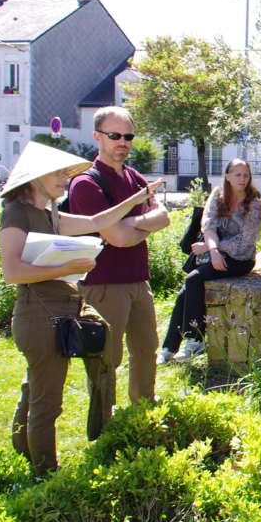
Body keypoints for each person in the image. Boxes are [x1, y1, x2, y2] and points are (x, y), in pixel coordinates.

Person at [0, 142, 161, 476]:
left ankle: (25, 452)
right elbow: (11, 271)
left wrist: (134, 200)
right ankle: (46, 476)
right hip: (38, 313)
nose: (65, 179)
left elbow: (96, 221)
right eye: (58, 173)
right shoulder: (16, 212)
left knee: (38, 389)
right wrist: (67, 267)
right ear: (36, 177)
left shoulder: (50, 215)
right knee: (47, 403)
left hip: (62, 309)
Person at [67, 106, 171, 410]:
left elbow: (163, 217)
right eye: (114, 135)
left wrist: (130, 223)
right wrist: (141, 227)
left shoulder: (133, 177)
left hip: (138, 280)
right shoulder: (86, 183)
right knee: (106, 358)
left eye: (128, 136)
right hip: (104, 284)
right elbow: (119, 239)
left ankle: (144, 409)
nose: (122, 142)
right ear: (97, 137)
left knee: (146, 349)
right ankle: (104, 421)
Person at [159, 159, 261, 364]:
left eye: (246, 175)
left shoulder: (254, 204)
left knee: (193, 280)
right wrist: (213, 250)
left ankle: (195, 341)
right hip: (217, 253)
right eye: (237, 175)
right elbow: (209, 226)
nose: (242, 179)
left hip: (241, 259)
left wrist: (211, 248)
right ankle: (169, 348)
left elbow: (246, 242)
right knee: (185, 292)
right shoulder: (218, 195)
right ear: (227, 176)